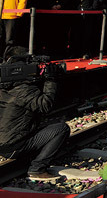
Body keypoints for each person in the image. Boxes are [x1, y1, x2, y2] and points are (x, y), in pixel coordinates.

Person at [0, 49, 70, 181]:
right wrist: (51, 80)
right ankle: (37, 168)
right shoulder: (23, 90)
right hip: (13, 145)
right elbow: (45, 105)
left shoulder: (5, 86)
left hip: (3, 140)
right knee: (62, 128)